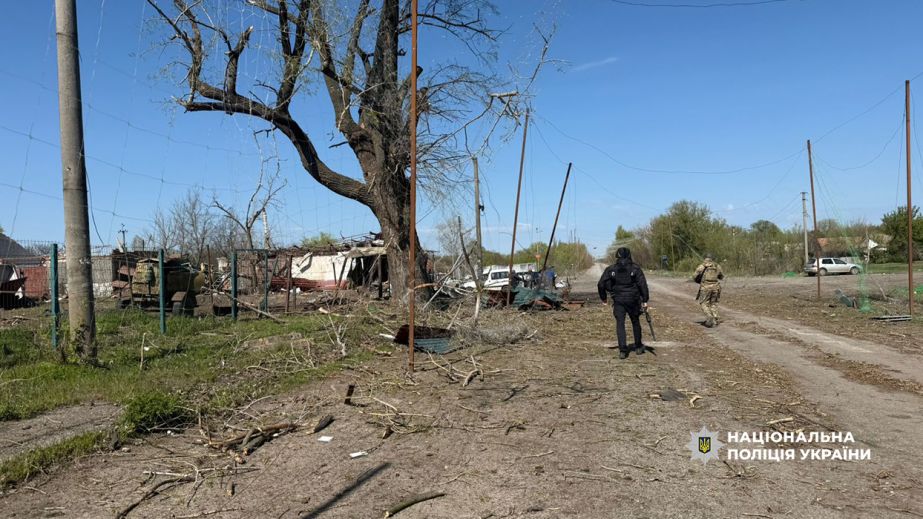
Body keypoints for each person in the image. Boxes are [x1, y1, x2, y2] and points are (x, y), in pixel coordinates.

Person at [598, 247, 650, 359]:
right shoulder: (636, 268)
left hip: (618, 300)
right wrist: (645, 300)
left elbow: (601, 284)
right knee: (635, 322)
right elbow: (643, 285)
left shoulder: (611, 269)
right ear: (629, 255)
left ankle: (622, 350)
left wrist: (604, 298)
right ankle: (638, 346)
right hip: (633, 300)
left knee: (620, 324)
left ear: (617, 256)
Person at [693, 253, 724, 328]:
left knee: (703, 303)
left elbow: (694, 276)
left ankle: (709, 316)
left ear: (705, 258)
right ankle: (715, 318)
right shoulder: (717, 266)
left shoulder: (702, 266)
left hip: (705, 287)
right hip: (716, 287)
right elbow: (721, 276)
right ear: (712, 258)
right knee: (713, 303)